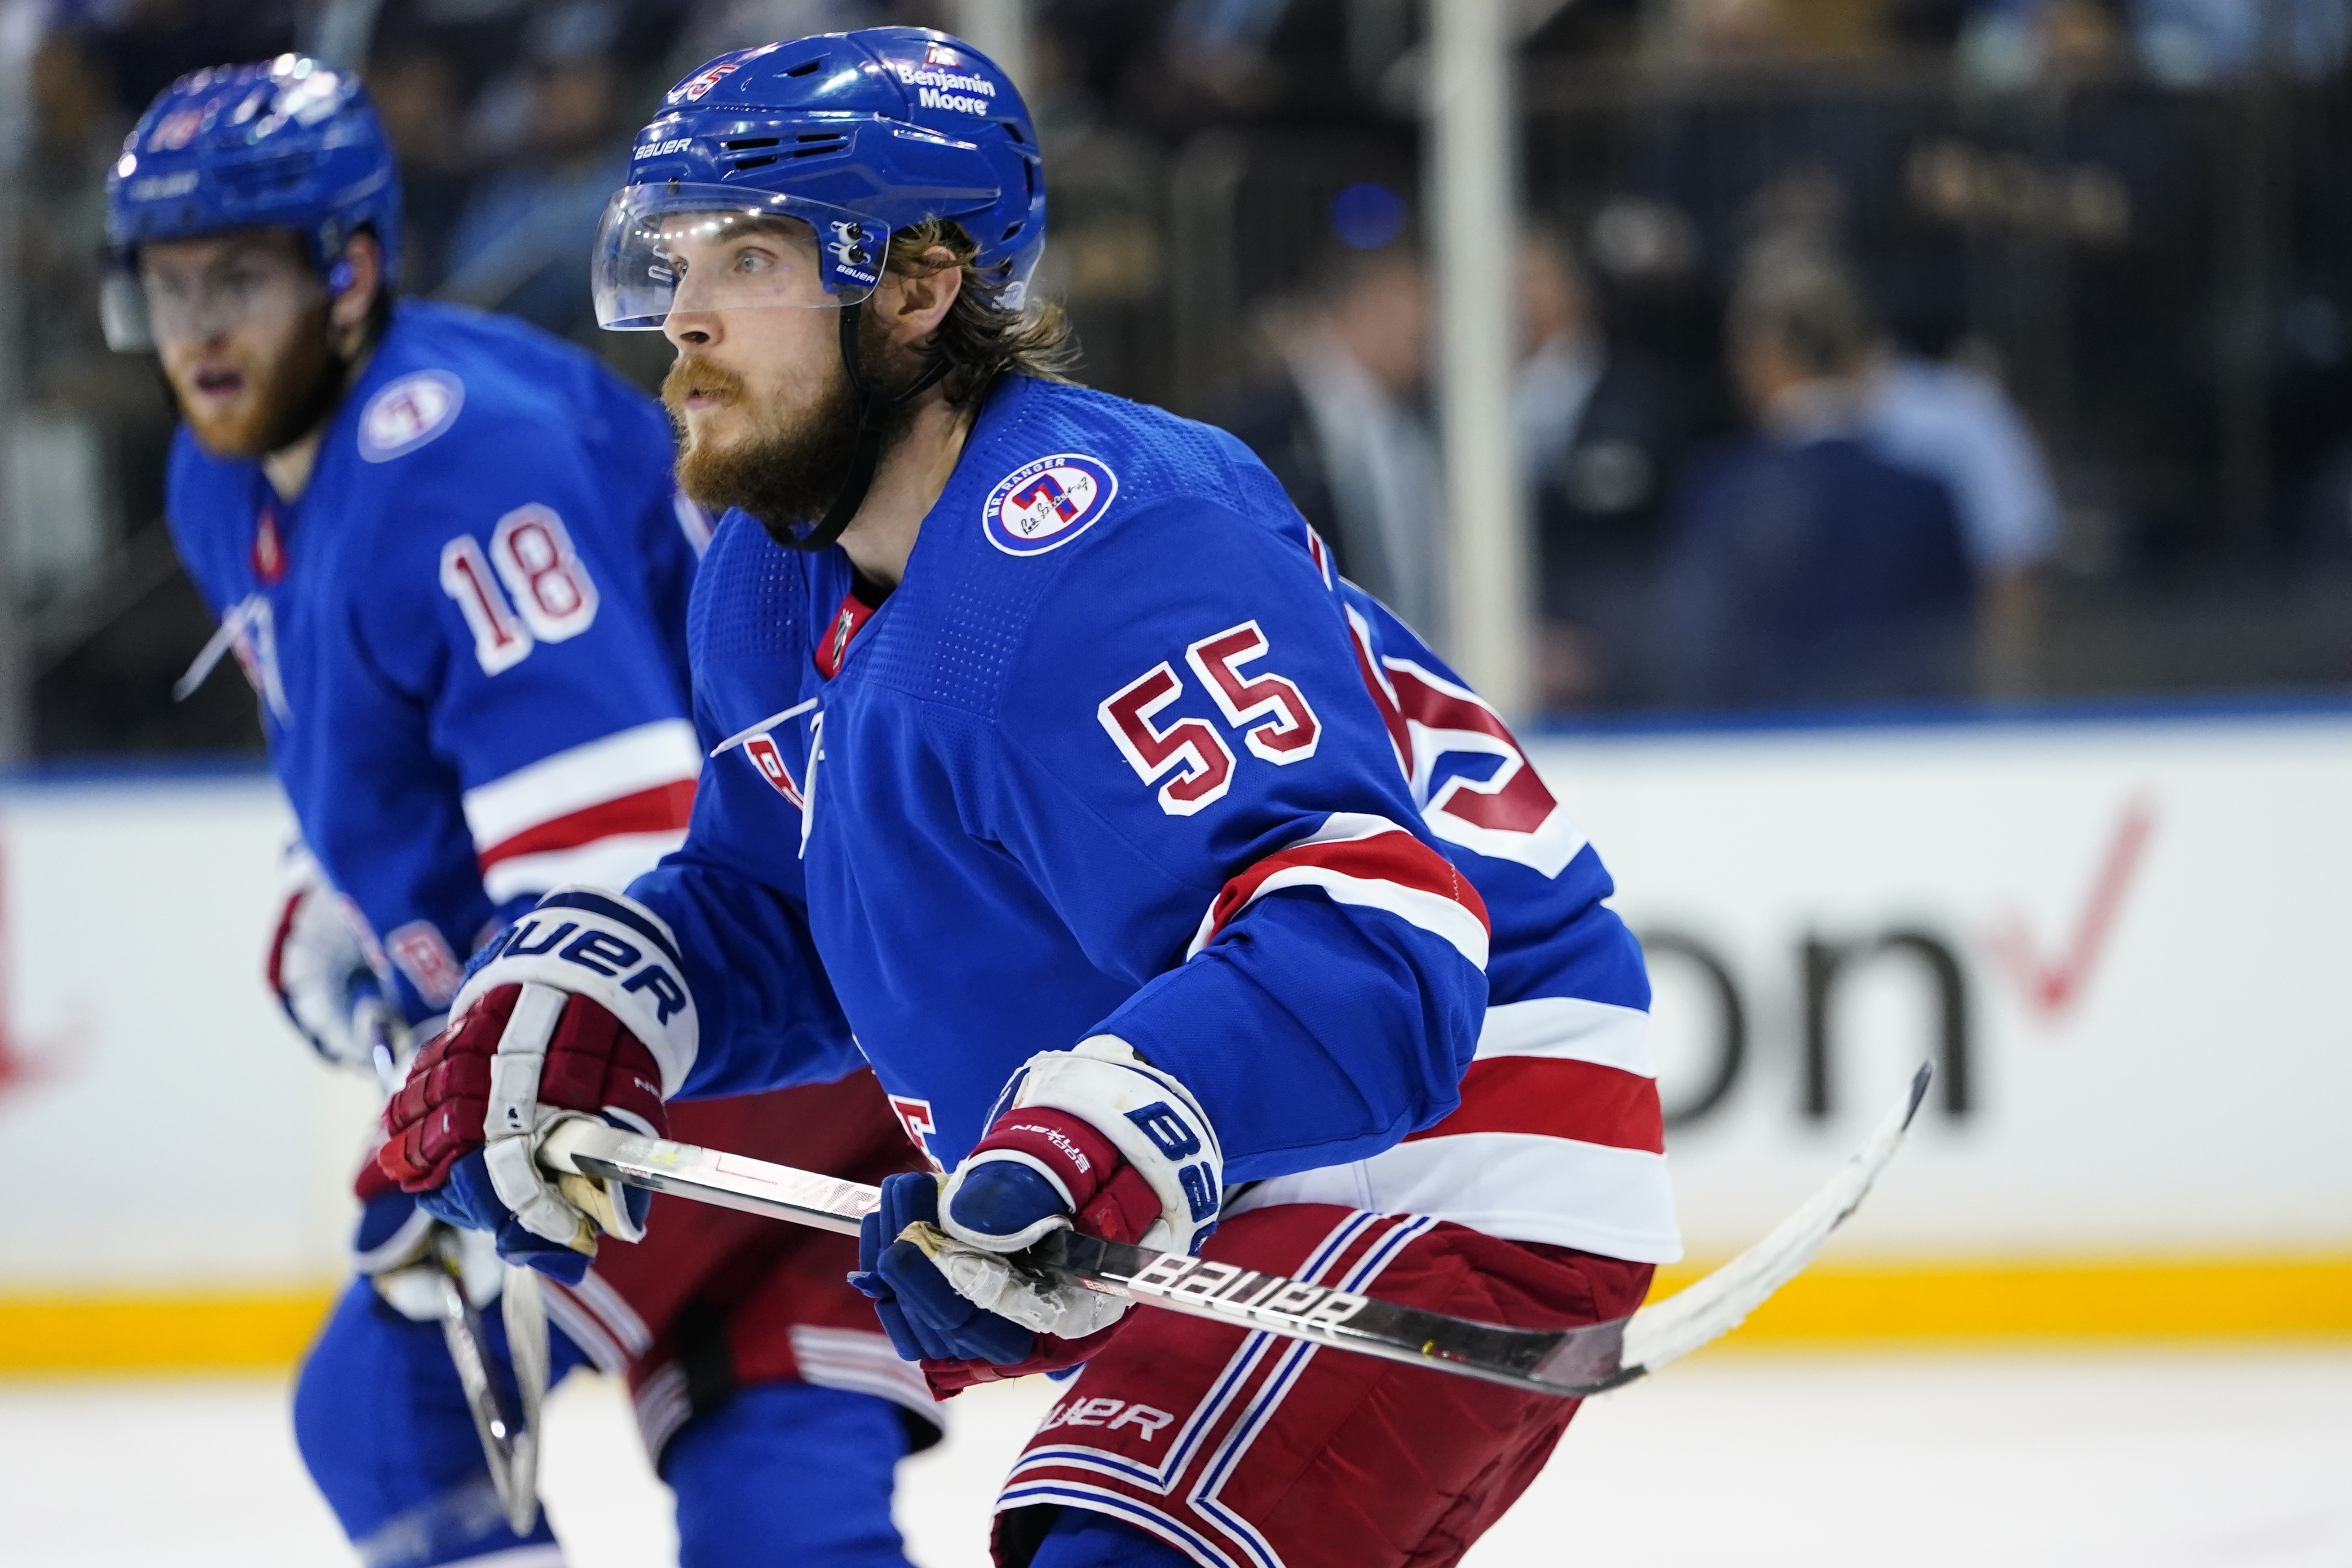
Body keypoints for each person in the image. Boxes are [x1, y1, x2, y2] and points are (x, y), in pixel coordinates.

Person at [381, 27, 1678, 1568]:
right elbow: (781, 906)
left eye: (751, 257)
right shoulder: (763, 574)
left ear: (919, 285)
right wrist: (612, 999)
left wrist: (1109, 1135)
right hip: (1235, 1166)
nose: (688, 317)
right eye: (675, 256)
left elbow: (1376, 938)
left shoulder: (1103, 544)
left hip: (1457, 1134)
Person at [105, 57, 936, 1568]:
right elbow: (358, 728)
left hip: (720, 1021)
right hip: (807, 1017)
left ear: (349, 269)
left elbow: (621, 844)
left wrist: (500, 1068)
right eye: (165, 288)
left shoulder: (462, 458)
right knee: (773, 1459)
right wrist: (337, 884)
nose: (198, 331)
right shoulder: (223, 477)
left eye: (239, 279)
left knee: (396, 1407)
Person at [1659, 259, 1975, 706]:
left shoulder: (1724, 493)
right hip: (1902, 755)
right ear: (1858, 355)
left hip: (1757, 752)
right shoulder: (1925, 494)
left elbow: (1696, 651)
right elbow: (1956, 650)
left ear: (1759, 361)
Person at [1216, 242, 1447, 643]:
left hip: (1426, 668)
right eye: (1411, 305)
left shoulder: (1434, 423)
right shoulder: (1251, 434)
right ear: (1356, 310)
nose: (1429, 327)